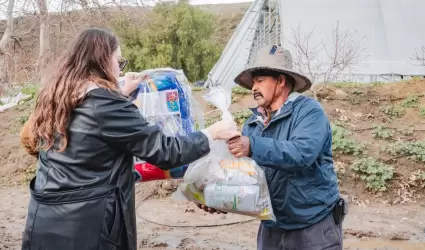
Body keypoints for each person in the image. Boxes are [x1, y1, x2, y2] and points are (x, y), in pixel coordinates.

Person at [19, 27, 240, 250]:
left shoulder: (56, 96)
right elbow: (166, 152)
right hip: (87, 229)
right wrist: (212, 133)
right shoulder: (105, 105)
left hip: (45, 221)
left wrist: (121, 92)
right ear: (103, 59)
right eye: (119, 60)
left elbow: (89, 132)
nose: (120, 67)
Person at [198, 45, 345, 250]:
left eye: (260, 81)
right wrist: (216, 196)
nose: (253, 88)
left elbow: (301, 154)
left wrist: (252, 145)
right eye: (253, 82)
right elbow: (246, 176)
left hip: (313, 227)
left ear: (281, 81)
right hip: (272, 228)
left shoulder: (309, 112)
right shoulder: (253, 123)